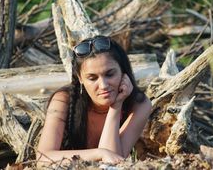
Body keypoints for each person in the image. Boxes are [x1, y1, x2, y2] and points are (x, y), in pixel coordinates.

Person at [36, 35, 152, 164]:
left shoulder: (139, 104)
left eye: (110, 74)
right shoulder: (63, 100)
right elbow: (43, 159)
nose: (103, 85)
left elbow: (113, 160)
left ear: (123, 72)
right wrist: (99, 153)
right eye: (92, 78)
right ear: (80, 78)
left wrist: (116, 106)